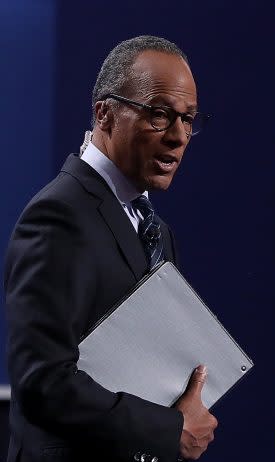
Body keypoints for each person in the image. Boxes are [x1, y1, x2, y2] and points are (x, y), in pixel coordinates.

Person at [5, 36, 217, 462]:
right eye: (159, 114)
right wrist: (166, 431)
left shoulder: (157, 229)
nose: (177, 137)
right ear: (105, 112)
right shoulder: (59, 215)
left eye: (188, 119)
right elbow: (42, 380)